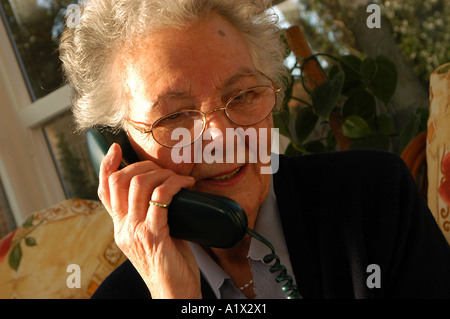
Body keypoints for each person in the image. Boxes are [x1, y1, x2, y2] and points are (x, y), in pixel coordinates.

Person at [59, 0, 450, 299]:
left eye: (244, 95)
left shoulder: (374, 197)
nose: (221, 136)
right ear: (124, 153)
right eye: (176, 116)